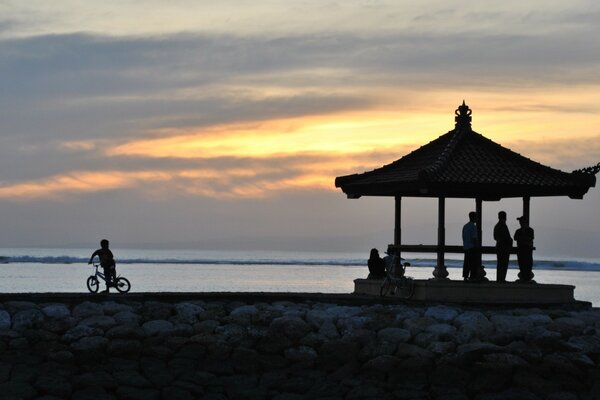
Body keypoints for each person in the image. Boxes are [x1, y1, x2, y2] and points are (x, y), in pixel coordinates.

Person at [493, 211, 513, 282]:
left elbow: (495, 237)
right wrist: (510, 241)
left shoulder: (497, 226)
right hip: (504, 248)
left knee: (500, 263)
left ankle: (499, 278)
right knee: (504, 264)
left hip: (499, 246)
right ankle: (502, 278)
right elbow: (507, 237)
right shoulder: (503, 225)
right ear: (505, 217)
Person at [514, 216, 535, 282]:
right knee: (521, 265)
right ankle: (523, 278)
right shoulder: (518, 230)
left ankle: (527, 278)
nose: (520, 223)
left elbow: (530, 238)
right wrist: (524, 239)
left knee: (528, 265)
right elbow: (515, 238)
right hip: (521, 250)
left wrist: (521, 238)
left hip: (527, 250)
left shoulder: (530, 230)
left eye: (521, 222)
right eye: (520, 222)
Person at [462, 211, 479, 281]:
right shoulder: (473, 227)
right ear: (474, 217)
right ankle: (472, 277)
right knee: (473, 264)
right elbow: (474, 238)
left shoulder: (465, 226)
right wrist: (476, 246)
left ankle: (465, 277)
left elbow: (463, 237)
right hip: (472, 247)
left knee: (466, 263)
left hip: (466, 247)